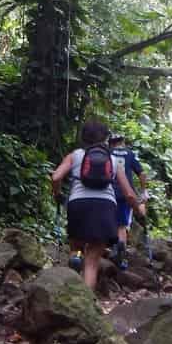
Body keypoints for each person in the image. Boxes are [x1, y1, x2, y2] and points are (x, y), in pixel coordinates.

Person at [51, 120, 140, 292]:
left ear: (83, 137)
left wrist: (57, 194)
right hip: (105, 208)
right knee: (92, 262)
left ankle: (76, 259)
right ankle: (85, 304)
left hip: (78, 205)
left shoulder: (74, 155)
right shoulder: (113, 160)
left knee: (76, 246)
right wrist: (138, 211)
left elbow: (55, 177)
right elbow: (129, 194)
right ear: (106, 138)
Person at [109, 133, 147, 270]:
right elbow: (142, 173)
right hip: (126, 193)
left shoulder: (108, 152)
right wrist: (143, 191)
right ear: (122, 141)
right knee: (122, 225)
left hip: (108, 193)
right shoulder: (130, 154)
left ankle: (112, 247)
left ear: (111, 142)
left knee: (110, 221)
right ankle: (121, 253)